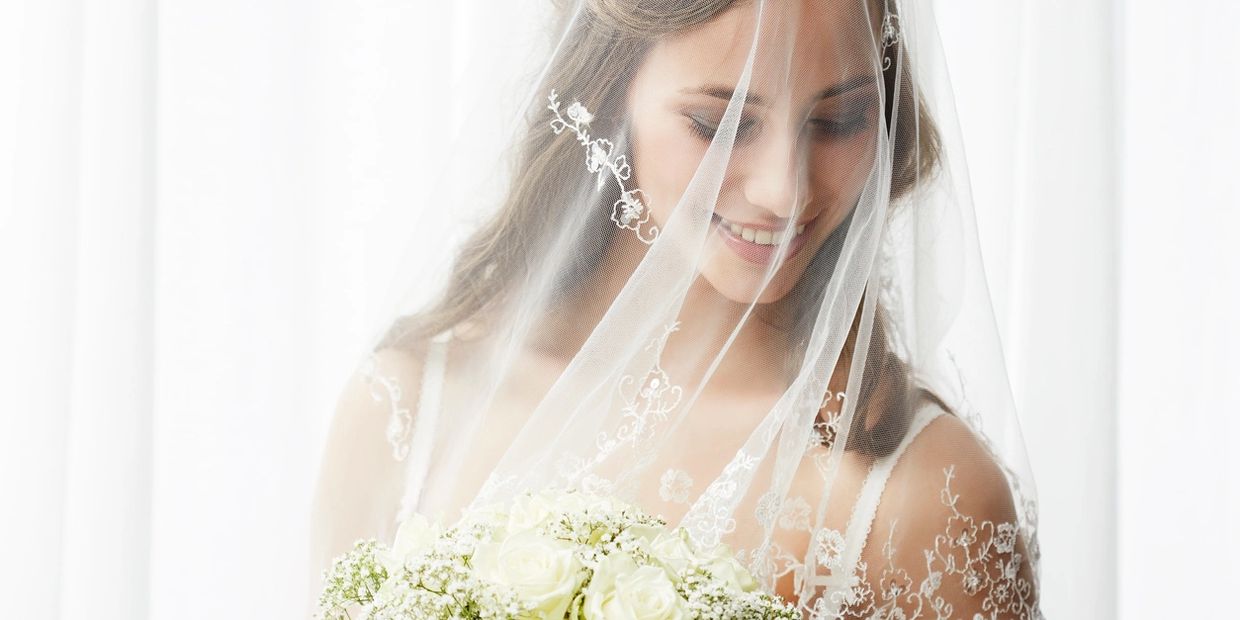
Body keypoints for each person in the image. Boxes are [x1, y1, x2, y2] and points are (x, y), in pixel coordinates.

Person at [312, 0, 1042, 616]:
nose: (783, 193)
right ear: (607, 92)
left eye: (840, 119)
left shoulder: (924, 496)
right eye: (720, 123)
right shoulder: (405, 410)